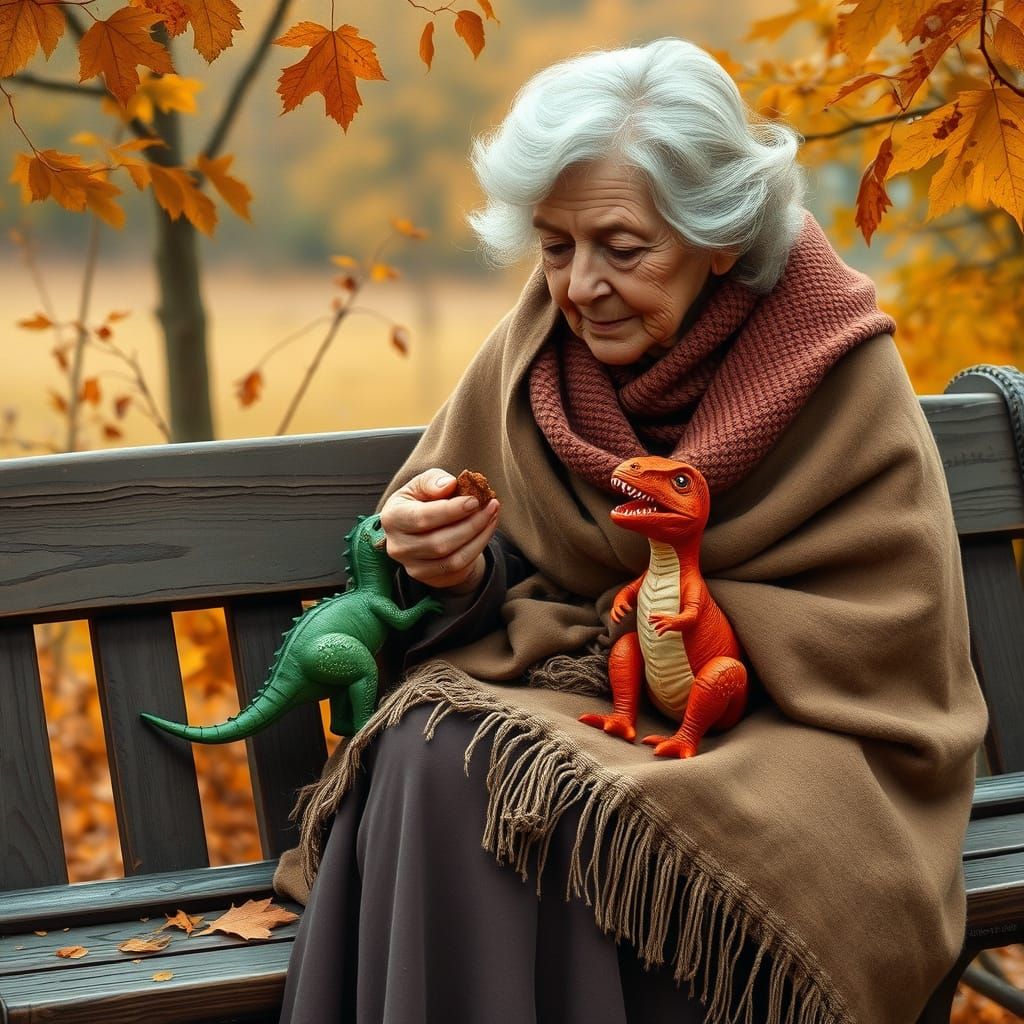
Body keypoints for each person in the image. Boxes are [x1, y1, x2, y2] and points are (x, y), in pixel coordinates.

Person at [276, 38, 988, 1024]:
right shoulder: (535, 346)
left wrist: (679, 634)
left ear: (720, 237)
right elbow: (457, 568)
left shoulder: (829, 359)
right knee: (435, 754)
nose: (579, 286)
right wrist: (442, 557)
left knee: (581, 810)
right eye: (555, 245)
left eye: (622, 246)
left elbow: (885, 636)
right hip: (588, 697)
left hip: (796, 734)